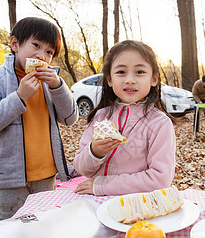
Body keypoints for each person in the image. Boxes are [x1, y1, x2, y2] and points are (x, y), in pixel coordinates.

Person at [0, 17, 78, 220]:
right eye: (36, 45)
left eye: (49, 52)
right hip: (9, 178)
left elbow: (70, 118)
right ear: (15, 44)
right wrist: (19, 97)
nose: (41, 56)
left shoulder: (49, 82)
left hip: (46, 174)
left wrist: (58, 86)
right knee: (13, 230)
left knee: (44, 225)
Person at [73, 40, 176, 196]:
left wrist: (103, 186)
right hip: (93, 203)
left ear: (154, 79)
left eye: (140, 72)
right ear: (109, 79)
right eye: (121, 72)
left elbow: (160, 179)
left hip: (136, 205)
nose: (130, 79)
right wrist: (95, 152)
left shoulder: (159, 123)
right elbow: (81, 168)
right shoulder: (101, 117)